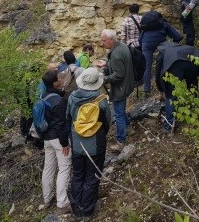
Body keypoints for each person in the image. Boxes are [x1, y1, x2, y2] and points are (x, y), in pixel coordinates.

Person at [66, 67, 111, 221]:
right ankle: (87, 210)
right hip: (96, 144)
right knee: (92, 177)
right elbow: (107, 123)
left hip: (77, 143)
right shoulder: (101, 99)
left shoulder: (72, 97)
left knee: (78, 175)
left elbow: (68, 118)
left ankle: (76, 208)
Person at [39, 70, 72, 215]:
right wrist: (65, 143)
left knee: (48, 168)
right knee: (64, 168)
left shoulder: (43, 95)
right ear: (55, 83)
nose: (61, 78)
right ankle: (62, 202)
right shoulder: (57, 101)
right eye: (59, 77)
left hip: (46, 138)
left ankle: (47, 199)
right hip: (58, 139)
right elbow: (60, 124)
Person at [96, 29, 135, 152]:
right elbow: (120, 63)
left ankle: (120, 141)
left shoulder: (116, 54)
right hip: (127, 84)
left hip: (120, 87)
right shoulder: (121, 46)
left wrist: (104, 79)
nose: (102, 43)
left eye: (103, 40)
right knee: (121, 110)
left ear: (111, 40)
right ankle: (127, 125)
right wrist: (107, 63)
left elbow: (118, 75)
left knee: (118, 113)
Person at [155, 41, 199, 134]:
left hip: (175, 64)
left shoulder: (162, 52)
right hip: (193, 61)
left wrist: (162, 90)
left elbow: (158, 74)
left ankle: (168, 127)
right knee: (192, 87)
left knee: (171, 96)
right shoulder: (183, 47)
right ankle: (194, 113)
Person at [139, 13, 182, 97]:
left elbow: (139, 39)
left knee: (147, 67)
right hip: (161, 43)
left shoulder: (146, 26)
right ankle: (164, 86)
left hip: (146, 44)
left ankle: (146, 89)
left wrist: (144, 46)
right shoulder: (163, 24)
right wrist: (174, 45)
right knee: (162, 65)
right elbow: (177, 36)